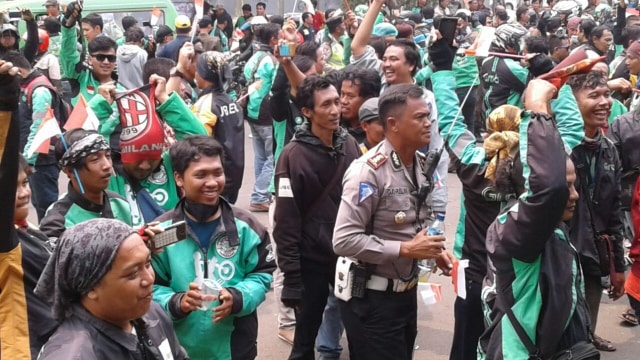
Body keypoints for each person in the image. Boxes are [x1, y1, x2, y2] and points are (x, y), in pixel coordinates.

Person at [332, 79, 456, 358]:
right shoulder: (368, 172)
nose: (428, 123)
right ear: (393, 124)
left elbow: (413, 222)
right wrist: (407, 250)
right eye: (420, 117)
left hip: (405, 296)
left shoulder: (421, 165)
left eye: (429, 116)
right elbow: (344, 240)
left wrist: (432, 251)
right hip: (372, 301)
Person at [151, 135, 275, 360]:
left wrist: (237, 297)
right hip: (180, 349)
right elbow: (150, 288)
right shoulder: (162, 232)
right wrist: (177, 302)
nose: (212, 182)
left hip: (236, 347)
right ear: (179, 178)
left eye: (217, 173)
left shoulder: (247, 227)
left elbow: (263, 274)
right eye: (200, 175)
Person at [274, 75, 360, 360]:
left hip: (349, 259)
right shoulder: (292, 157)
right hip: (311, 262)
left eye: (338, 102)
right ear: (307, 112)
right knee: (304, 340)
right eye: (327, 105)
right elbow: (286, 224)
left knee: (360, 331)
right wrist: (292, 278)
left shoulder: (349, 147)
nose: (336, 110)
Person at [35, 218, 188, 359]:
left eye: (148, 264)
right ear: (91, 287)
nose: (149, 279)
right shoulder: (75, 355)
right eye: (133, 273)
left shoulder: (154, 314)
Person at [568, 72, 626, 352]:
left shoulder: (610, 150)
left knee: (588, 313)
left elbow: (614, 211)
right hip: (560, 252)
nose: (605, 103)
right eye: (594, 96)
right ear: (570, 101)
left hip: (594, 250)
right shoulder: (560, 147)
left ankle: (588, 339)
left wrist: (618, 267)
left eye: (607, 95)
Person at [39, 129, 132, 243]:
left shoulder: (120, 204)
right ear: (70, 171)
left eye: (108, 156)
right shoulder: (57, 222)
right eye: (95, 159)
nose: (107, 165)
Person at [7, 52, 60, 223]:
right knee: (38, 203)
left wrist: (28, 160)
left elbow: (40, 127)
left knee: (47, 205)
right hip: (37, 158)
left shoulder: (40, 90)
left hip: (43, 159)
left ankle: (52, 241)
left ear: (18, 71)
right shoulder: (28, 86)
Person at [190, 51, 245, 204]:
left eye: (197, 70)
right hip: (234, 177)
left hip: (214, 180)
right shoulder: (230, 100)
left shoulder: (205, 104)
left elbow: (197, 144)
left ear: (204, 75)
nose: (195, 74)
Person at [244, 23, 280, 212]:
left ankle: (261, 194)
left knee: (261, 157)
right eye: (279, 36)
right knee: (272, 157)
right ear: (273, 40)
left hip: (252, 111)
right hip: (267, 114)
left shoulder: (255, 57)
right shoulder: (272, 60)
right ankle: (259, 196)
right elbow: (276, 87)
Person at [61, 2, 124, 105]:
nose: (106, 62)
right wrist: (69, 24)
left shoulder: (121, 92)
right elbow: (68, 52)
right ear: (90, 59)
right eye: (100, 57)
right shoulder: (81, 77)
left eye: (111, 58)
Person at [340, 66, 381, 144]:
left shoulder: (377, 133)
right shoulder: (335, 125)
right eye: (342, 94)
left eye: (350, 96)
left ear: (369, 99)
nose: (343, 101)